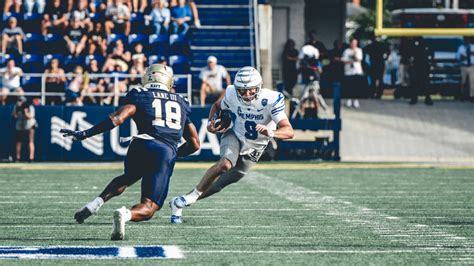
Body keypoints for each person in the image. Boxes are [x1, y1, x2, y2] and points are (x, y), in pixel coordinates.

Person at [60, 64, 200, 240]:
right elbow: (195, 144)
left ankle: (94, 204)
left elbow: (117, 119)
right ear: (169, 81)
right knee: (149, 208)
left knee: (128, 177)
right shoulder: (180, 101)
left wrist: (85, 133)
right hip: (164, 149)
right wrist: (171, 154)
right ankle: (125, 215)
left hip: (140, 144)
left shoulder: (140, 94)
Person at [169, 66, 294, 224]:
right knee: (225, 164)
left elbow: (289, 131)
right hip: (234, 135)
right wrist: (210, 123)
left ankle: (180, 201)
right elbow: (216, 105)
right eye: (242, 90)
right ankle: (191, 197)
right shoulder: (231, 93)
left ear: (259, 87)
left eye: (251, 90)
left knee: (218, 185)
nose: (247, 94)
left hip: (254, 149)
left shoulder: (270, 99)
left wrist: (271, 133)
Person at [12, 96, 37, 162]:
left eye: (21, 101)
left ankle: (31, 157)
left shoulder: (29, 107)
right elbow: (14, 116)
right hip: (20, 125)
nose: (20, 102)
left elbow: (30, 117)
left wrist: (25, 111)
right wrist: (17, 111)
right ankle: (17, 157)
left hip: (29, 125)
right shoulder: (16, 107)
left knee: (30, 141)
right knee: (18, 141)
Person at [341, 38, 364, 108]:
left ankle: (355, 100)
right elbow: (343, 60)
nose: (354, 44)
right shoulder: (346, 51)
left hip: (356, 71)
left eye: (355, 43)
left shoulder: (359, 50)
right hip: (348, 71)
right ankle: (349, 100)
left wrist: (354, 54)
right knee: (349, 86)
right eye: (353, 43)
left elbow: (359, 60)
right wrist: (350, 61)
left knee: (356, 86)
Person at [409, 37, 433, 105]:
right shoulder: (415, 44)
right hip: (418, 66)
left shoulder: (424, 44)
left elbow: (431, 54)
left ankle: (426, 98)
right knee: (417, 83)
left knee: (425, 83)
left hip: (423, 66)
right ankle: (415, 98)